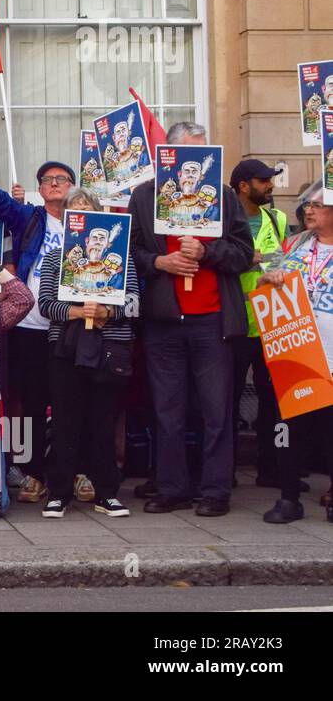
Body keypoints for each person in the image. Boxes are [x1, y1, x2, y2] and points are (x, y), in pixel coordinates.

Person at [129, 122, 253, 517]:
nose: (194, 165)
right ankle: (172, 487)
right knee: (167, 409)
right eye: (186, 155)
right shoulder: (145, 196)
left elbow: (242, 253)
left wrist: (206, 251)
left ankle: (215, 489)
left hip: (212, 319)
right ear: (168, 156)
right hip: (164, 321)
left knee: (216, 411)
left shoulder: (226, 198)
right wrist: (159, 262)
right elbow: (128, 255)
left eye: (203, 155)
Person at [0, 129, 75, 504]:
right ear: (40, 188)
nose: (54, 184)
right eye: (47, 180)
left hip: (70, 326)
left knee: (73, 402)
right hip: (29, 325)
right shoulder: (31, 219)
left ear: (72, 186)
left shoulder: (86, 222)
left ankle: (78, 472)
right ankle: (34, 473)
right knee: (30, 403)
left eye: (61, 179)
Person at [36, 188, 141, 519]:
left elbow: (136, 303)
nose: (82, 219)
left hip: (109, 347)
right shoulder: (55, 257)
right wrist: (78, 312)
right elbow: (46, 304)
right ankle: (59, 493)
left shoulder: (121, 257)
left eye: (88, 211)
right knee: (65, 421)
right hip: (67, 347)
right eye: (74, 211)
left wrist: (109, 312)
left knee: (103, 421)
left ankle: (106, 492)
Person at [256, 196, 333, 523]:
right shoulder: (294, 243)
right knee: (290, 430)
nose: (308, 211)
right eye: (307, 205)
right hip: (296, 354)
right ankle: (288, 498)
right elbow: (262, 279)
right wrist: (269, 278)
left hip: (331, 354)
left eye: (318, 205)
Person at [230, 159, 287, 490]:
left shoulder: (277, 219)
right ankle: (228, 470)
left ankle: (272, 468)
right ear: (243, 186)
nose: (270, 185)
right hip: (235, 324)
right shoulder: (225, 220)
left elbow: (285, 262)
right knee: (229, 400)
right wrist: (250, 258)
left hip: (271, 324)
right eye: (263, 180)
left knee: (274, 400)